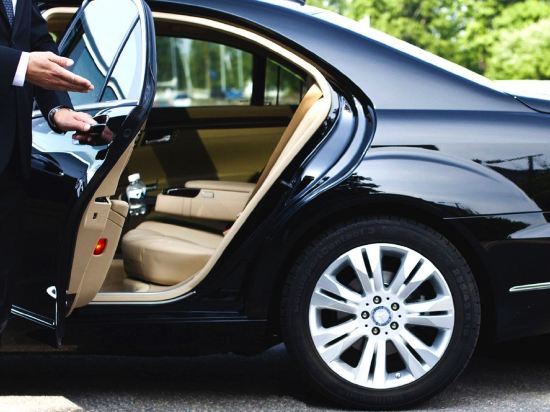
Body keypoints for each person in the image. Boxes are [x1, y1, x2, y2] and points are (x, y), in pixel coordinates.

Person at [0, 0, 96, 335]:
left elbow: (37, 41)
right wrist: (21, 65)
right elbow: (27, 58)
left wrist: (57, 109)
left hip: (12, 160)